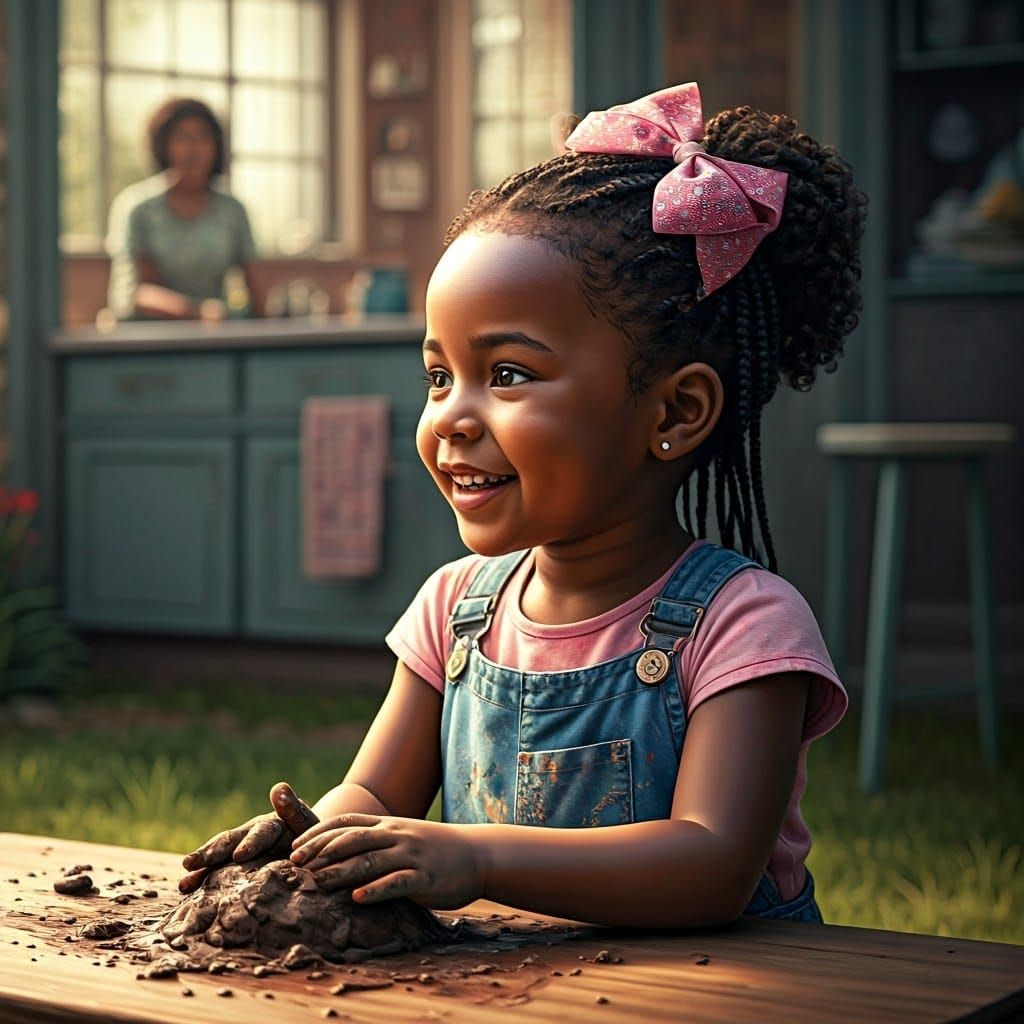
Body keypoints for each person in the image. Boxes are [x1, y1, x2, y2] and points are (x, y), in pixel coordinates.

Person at [180, 82, 867, 928]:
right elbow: (375, 794)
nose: (451, 418)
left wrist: (478, 858)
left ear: (675, 413)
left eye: (507, 374)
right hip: (517, 986)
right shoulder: (452, 610)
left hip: (724, 987)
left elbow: (711, 863)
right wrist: (311, 837)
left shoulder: (744, 626)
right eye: (439, 376)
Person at [105, 97, 262, 321]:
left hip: (211, 335)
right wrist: (198, 312)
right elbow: (133, 293)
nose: (193, 149)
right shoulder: (138, 207)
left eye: (203, 137)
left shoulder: (232, 210)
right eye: (182, 138)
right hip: (146, 335)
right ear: (164, 144)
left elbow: (257, 289)